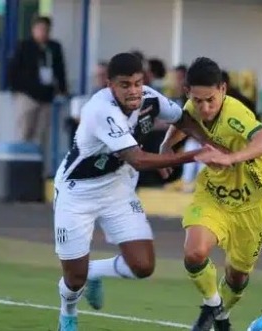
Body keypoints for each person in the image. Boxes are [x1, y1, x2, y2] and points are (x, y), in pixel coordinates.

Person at [53, 52, 214, 331]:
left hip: (117, 189)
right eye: (125, 85)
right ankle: (68, 313)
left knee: (142, 266)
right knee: (73, 278)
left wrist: (211, 143)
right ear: (110, 85)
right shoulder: (100, 110)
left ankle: (94, 273)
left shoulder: (150, 98)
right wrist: (196, 155)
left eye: (138, 83)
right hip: (77, 192)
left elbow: (183, 119)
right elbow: (137, 159)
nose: (134, 91)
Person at [158, 57, 262, 331]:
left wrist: (232, 157)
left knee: (237, 277)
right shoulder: (193, 106)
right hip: (213, 195)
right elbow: (184, 119)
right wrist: (167, 145)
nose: (204, 107)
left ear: (223, 89)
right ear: (189, 92)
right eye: (198, 100)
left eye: (210, 100)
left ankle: (220, 314)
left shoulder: (235, 116)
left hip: (252, 205)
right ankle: (214, 309)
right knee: (195, 252)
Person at [8, 16, 68, 145]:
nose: (43, 32)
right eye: (40, 29)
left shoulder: (54, 48)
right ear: (33, 30)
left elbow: (60, 70)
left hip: (46, 96)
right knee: (24, 131)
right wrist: (17, 89)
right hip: (27, 95)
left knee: (41, 135)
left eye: (46, 30)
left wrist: (62, 90)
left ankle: (38, 163)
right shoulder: (24, 46)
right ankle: (23, 162)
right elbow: (13, 70)